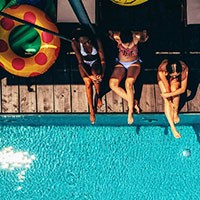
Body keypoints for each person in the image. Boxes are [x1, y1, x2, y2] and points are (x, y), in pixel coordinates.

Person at [109, 29, 148, 124]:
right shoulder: (117, 36)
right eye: (124, 44)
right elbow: (110, 33)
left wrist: (141, 37)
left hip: (133, 63)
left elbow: (145, 34)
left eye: (128, 44)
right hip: (121, 63)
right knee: (112, 84)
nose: (126, 46)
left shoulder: (136, 37)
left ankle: (130, 111)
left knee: (128, 84)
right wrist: (113, 35)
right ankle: (133, 102)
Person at [71, 27, 106, 124]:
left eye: (88, 41)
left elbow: (102, 59)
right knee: (87, 83)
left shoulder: (96, 41)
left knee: (97, 76)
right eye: (84, 43)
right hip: (84, 64)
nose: (87, 43)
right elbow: (80, 62)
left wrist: (102, 73)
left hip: (95, 62)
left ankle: (98, 94)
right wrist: (89, 76)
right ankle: (91, 109)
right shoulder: (75, 43)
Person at [157, 58, 188, 138]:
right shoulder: (162, 70)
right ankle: (172, 127)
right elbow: (167, 87)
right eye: (173, 74)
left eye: (176, 74)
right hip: (164, 78)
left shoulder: (184, 68)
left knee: (175, 89)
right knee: (166, 100)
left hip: (173, 79)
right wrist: (169, 100)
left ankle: (175, 112)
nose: (174, 76)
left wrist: (170, 94)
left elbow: (183, 89)